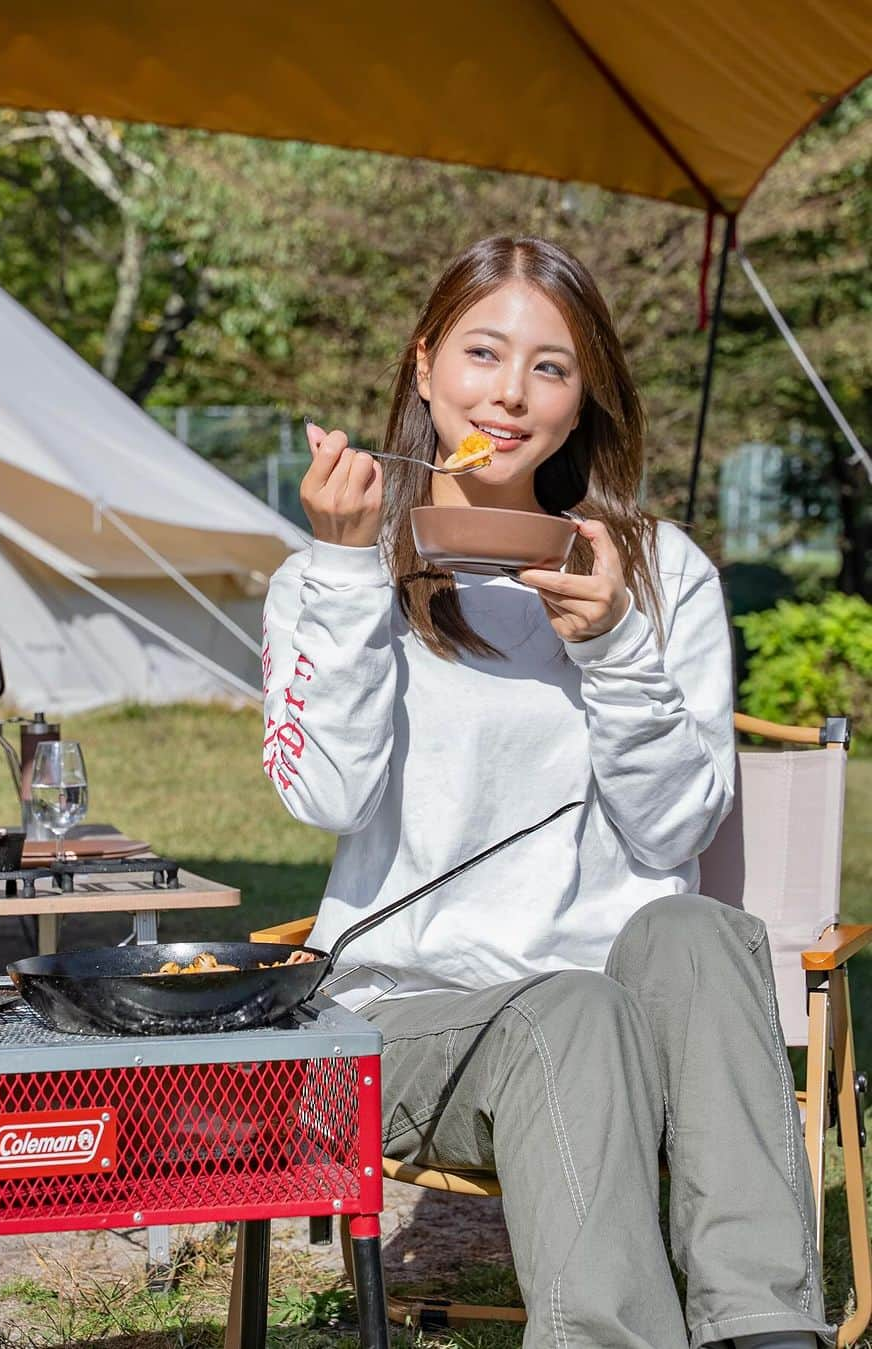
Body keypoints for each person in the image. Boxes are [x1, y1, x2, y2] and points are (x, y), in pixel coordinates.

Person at [261, 236, 830, 1349]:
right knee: (568, 1009)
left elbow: (675, 828)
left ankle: (767, 1330)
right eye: (482, 351)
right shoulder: (336, 572)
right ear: (426, 369)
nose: (509, 392)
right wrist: (341, 571)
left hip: (625, 1013)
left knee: (701, 928)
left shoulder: (661, 573)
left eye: (551, 367)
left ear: (585, 401)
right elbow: (324, 798)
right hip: (409, 1020)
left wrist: (616, 643)